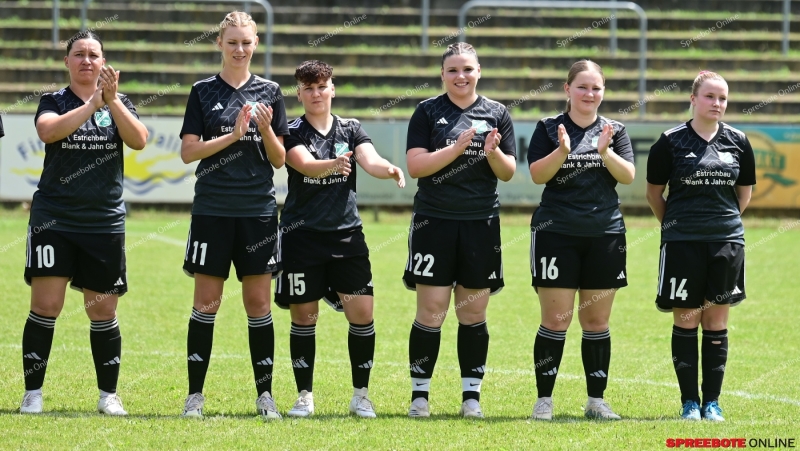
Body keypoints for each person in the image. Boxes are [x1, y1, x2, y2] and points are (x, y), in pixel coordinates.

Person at [19, 30, 148, 415]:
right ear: (67, 62)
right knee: (46, 305)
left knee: (103, 311)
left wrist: (111, 103)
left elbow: (139, 140)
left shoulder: (120, 102)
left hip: (103, 221)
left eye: (94, 55)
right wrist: (93, 103)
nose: (87, 60)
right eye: (79, 54)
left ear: (104, 63)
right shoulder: (53, 100)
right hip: (54, 219)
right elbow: (48, 131)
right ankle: (33, 393)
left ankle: (108, 394)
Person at [274, 60, 405, 419]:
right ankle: (304, 395)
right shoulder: (292, 129)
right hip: (302, 235)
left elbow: (370, 159)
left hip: (347, 236)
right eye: (308, 88)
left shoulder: (351, 127)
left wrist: (387, 169)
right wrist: (332, 165)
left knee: (362, 313)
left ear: (333, 89)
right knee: (305, 316)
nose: (316, 93)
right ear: (299, 93)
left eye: (322, 86)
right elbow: (301, 163)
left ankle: (361, 395)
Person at [178, 11, 289, 420]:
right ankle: (194, 397)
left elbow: (279, 161)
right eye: (232, 42)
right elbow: (189, 152)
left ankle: (265, 396)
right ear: (219, 44)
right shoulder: (203, 91)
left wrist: (265, 132)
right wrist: (232, 137)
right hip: (212, 210)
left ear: (256, 43)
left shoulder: (271, 92)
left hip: (258, 212)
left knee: (258, 304)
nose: (239, 49)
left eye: (246, 42)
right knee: (207, 303)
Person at [403, 42, 516, 419]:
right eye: (453, 70)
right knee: (431, 310)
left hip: (480, 224)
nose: (461, 76)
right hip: (434, 222)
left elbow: (508, 172)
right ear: (442, 75)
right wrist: (456, 148)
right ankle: (420, 396)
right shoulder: (427, 111)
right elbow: (416, 166)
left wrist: (493, 152)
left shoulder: (497, 113)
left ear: (479, 71)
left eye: (467, 69)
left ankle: (472, 398)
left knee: (473, 313)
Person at [526, 60, 635, 421]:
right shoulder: (548, 128)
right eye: (583, 87)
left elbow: (629, 176)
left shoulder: (614, 130)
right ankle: (544, 400)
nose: (590, 94)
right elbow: (538, 175)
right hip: (556, 234)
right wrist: (562, 150)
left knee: (596, 323)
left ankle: (596, 401)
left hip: (605, 235)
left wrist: (606, 152)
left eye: (597, 88)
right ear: (567, 89)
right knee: (556, 320)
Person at [646, 70, 755, 422]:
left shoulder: (739, 140)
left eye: (723, 98)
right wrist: (679, 228)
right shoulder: (670, 141)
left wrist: (720, 226)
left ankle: (712, 403)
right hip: (682, 244)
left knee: (716, 321)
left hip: (726, 243)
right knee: (687, 319)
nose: (717, 103)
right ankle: (689, 402)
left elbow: (744, 195)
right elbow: (653, 193)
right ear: (693, 99)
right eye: (710, 96)